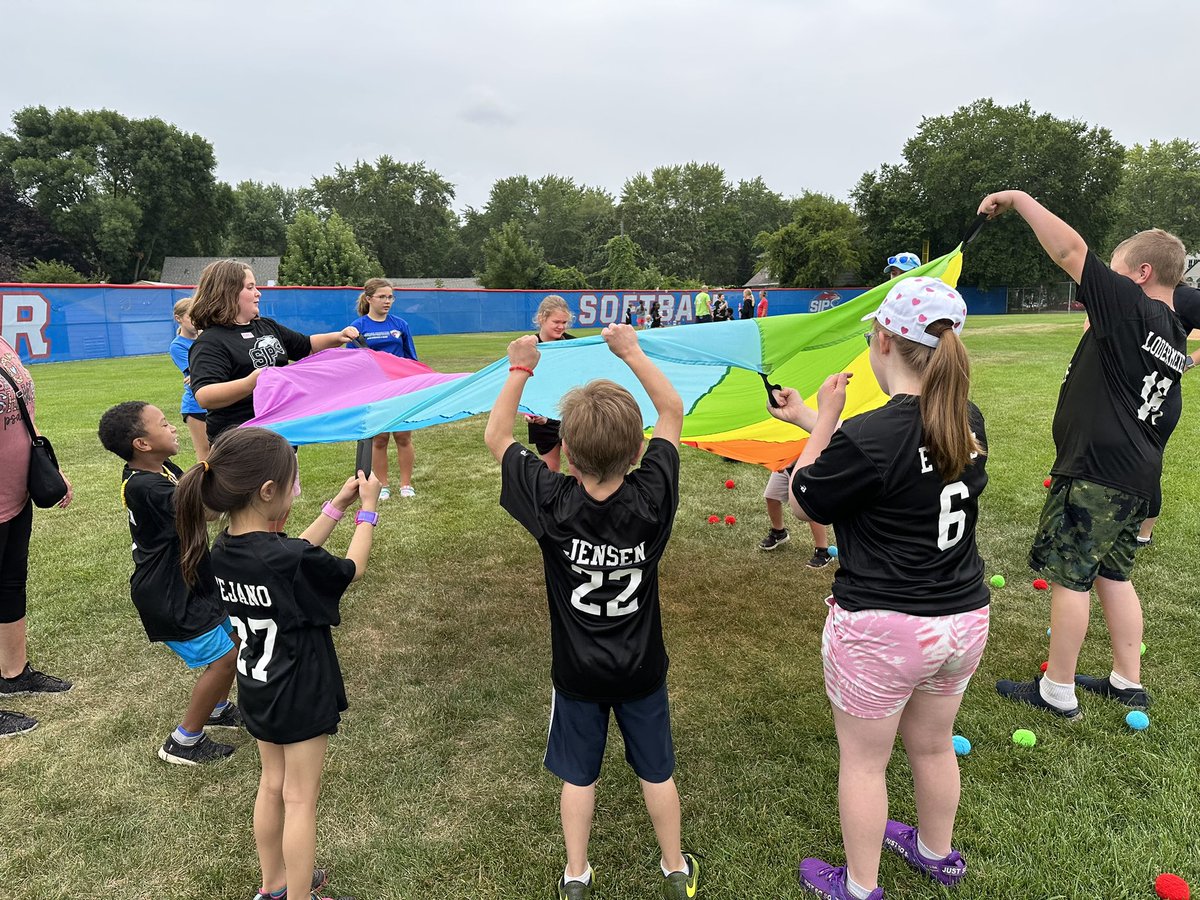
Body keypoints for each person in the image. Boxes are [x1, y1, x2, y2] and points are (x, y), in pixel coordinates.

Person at [768, 277, 988, 900]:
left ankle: (860, 886)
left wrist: (823, 422)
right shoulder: (965, 419)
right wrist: (817, 421)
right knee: (933, 743)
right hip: (963, 619)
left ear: (884, 341)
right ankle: (937, 854)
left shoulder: (868, 434)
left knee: (865, 763)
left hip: (886, 629)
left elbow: (810, 490)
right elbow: (887, 462)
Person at [485, 324, 700, 900]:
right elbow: (672, 409)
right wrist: (631, 351)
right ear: (637, 453)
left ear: (567, 456)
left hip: (577, 675)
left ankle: (576, 873)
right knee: (658, 771)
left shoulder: (550, 502)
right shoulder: (653, 496)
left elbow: (496, 435)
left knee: (579, 777)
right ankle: (675, 867)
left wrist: (519, 368)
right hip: (642, 670)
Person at [980, 191, 1189, 718]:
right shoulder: (1173, 333)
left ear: (1140, 273)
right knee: (1114, 575)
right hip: (1138, 478)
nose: (1102, 281)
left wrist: (1021, 200)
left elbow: (1070, 250)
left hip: (1098, 473)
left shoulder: (1130, 304)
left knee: (1070, 576)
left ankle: (1058, 690)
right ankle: (1126, 680)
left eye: (1114, 272)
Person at [175, 427, 379, 900]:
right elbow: (350, 569)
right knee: (300, 799)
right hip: (302, 692)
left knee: (272, 786)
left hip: (258, 688)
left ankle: (273, 887)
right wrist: (369, 510)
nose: (295, 490)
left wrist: (337, 505)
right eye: (293, 483)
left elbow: (296, 554)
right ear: (269, 492)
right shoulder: (285, 557)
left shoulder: (225, 549)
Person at [97, 401, 241, 764]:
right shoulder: (144, 487)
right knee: (224, 660)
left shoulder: (164, 470)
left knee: (234, 636)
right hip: (168, 593)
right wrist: (241, 471)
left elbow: (201, 497)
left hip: (193, 580)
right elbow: (207, 510)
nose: (175, 427)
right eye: (163, 424)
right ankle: (183, 741)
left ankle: (218, 708)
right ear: (141, 444)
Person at [187, 260, 361, 445]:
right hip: (239, 445)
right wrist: (252, 382)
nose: (258, 293)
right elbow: (205, 396)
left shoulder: (267, 327)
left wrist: (338, 336)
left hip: (280, 437)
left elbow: (306, 345)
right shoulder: (210, 341)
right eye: (250, 287)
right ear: (228, 292)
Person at [0, 335, 73, 739]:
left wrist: (49, 466)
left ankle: (13, 673)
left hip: (16, 491)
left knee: (11, 584)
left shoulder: (3, 343)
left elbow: (24, 412)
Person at [1136, 283, 1200, 547]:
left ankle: (1143, 533)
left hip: (1159, 398)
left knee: (1148, 463)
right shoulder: (1127, 292)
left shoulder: (1181, 295)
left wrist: (1189, 361)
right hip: (1123, 394)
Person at [347, 278, 420, 500]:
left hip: (400, 388)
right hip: (374, 391)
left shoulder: (400, 325)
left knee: (403, 437)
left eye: (390, 297)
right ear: (369, 299)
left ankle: (406, 484)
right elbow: (351, 363)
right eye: (382, 297)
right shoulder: (357, 327)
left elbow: (411, 359)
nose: (387, 301)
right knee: (379, 438)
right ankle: (383, 485)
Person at [525, 296, 577, 473]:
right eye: (556, 321)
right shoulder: (527, 347)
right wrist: (528, 412)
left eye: (564, 322)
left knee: (579, 470)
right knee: (550, 472)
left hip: (571, 415)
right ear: (541, 318)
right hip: (541, 418)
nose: (561, 326)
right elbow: (520, 382)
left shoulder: (573, 345)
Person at [758, 466, 834, 568]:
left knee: (810, 506)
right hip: (784, 464)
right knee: (771, 496)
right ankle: (779, 533)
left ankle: (823, 551)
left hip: (806, 466)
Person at [169, 297, 211, 463]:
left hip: (214, 403)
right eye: (190, 317)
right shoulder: (178, 346)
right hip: (195, 407)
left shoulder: (207, 337)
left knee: (220, 448)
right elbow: (197, 375)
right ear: (178, 319)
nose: (196, 321)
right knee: (204, 451)